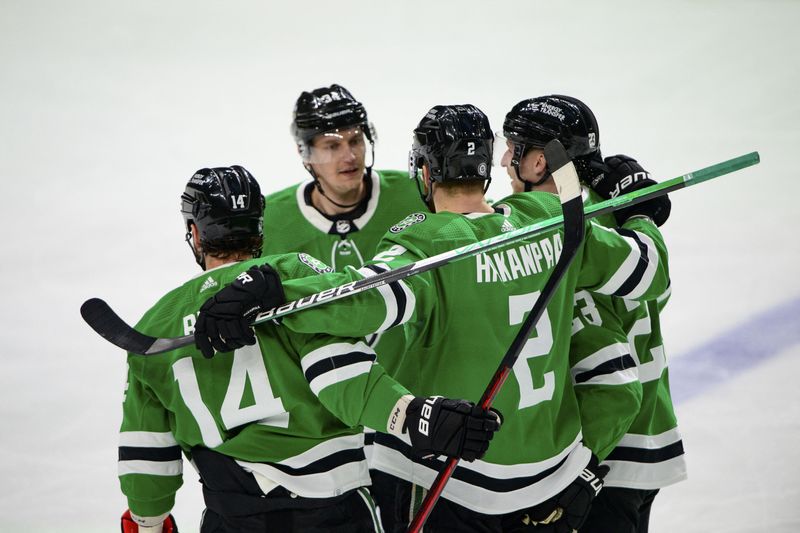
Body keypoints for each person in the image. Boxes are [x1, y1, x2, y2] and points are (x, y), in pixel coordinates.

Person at [193, 104, 674, 532]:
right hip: (550, 478)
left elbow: (361, 303)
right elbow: (649, 271)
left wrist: (276, 290)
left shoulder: (429, 243)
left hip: (451, 479)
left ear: (424, 172)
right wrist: (641, 211)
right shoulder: (549, 219)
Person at [118, 165, 500, 533]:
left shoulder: (157, 325)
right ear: (259, 226)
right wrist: (414, 416)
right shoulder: (294, 278)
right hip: (333, 514)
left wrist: (148, 522)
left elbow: (145, 456)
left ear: (195, 234)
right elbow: (342, 378)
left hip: (230, 518)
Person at [501, 95, 686, 532]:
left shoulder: (562, 244)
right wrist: (641, 213)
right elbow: (660, 290)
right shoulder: (616, 226)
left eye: (513, 149)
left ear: (539, 163)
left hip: (604, 453)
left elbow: (614, 383)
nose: (504, 161)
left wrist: (580, 474)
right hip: (647, 433)